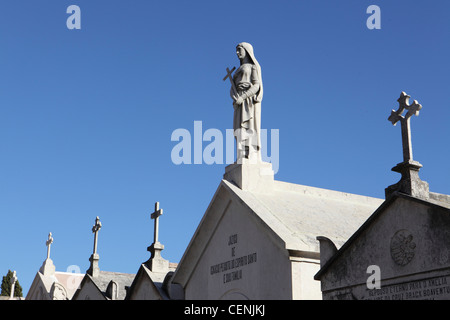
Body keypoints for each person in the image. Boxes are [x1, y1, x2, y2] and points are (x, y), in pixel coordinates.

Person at [230, 42, 263, 162]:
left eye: (240, 50)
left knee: (249, 127)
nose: (237, 53)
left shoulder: (252, 67)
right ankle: (241, 155)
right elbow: (233, 87)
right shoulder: (237, 70)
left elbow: (256, 86)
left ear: (247, 50)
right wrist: (235, 97)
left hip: (248, 102)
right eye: (236, 50)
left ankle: (250, 154)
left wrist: (243, 97)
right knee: (238, 129)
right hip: (239, 103)